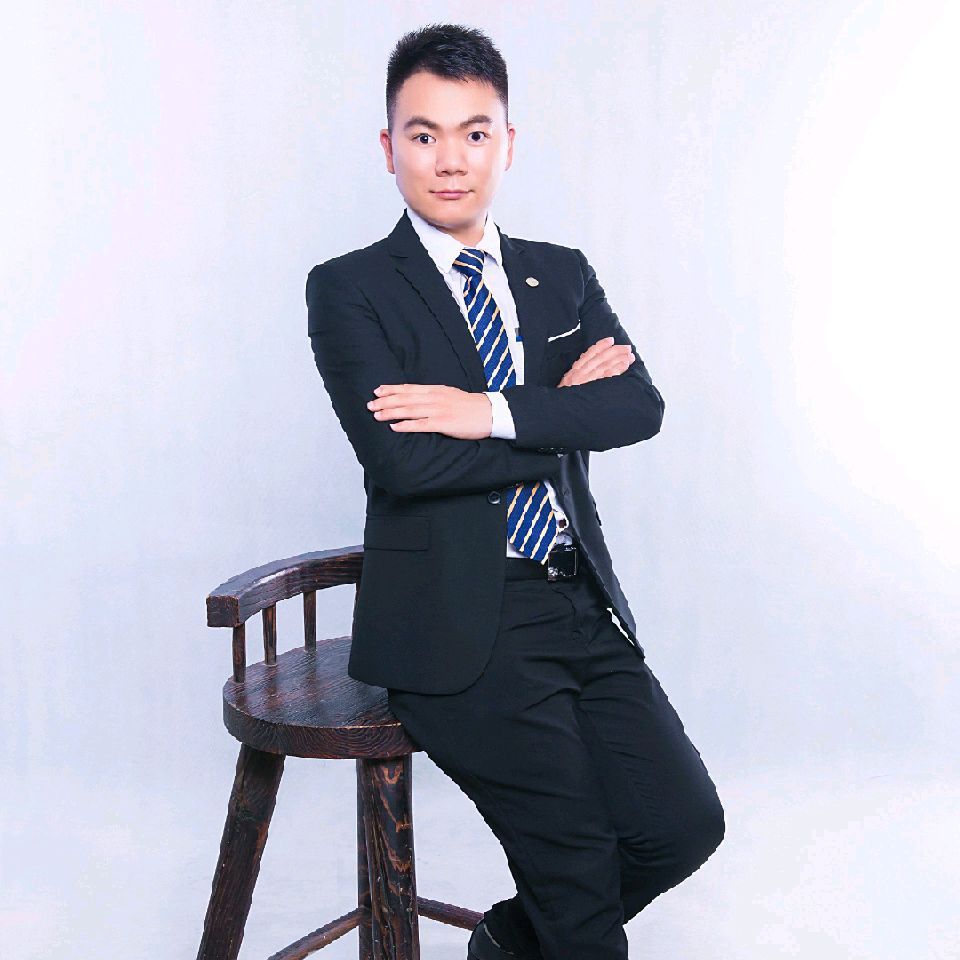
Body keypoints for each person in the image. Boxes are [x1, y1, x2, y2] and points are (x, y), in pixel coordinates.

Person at [306, 23, 725, 960]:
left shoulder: (559, 274)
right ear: (388, 148)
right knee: (577, 872)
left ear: (508, 143)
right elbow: (405, 466)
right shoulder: (351, 288)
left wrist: (484, 412)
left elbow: (638, 407)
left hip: (575, 597)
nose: (450, 160)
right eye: (424, 135)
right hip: (457, 621)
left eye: (475, 132)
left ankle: (508, 943)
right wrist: (559, 411)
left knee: (684, 826)